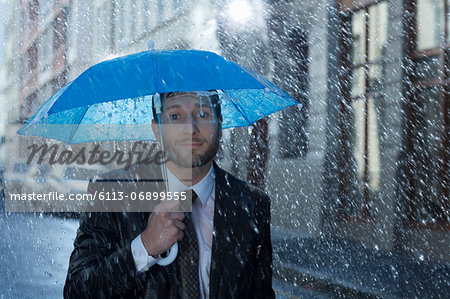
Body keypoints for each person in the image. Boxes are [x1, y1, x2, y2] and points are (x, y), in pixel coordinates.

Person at [64, 91, 275, 298]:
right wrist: (144, 246)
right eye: (175, 116)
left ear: (219, 124)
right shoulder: (113, 191)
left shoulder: (251, 203)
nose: (190, 129)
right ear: (157, 129)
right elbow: (78, 290)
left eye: (202, 114)